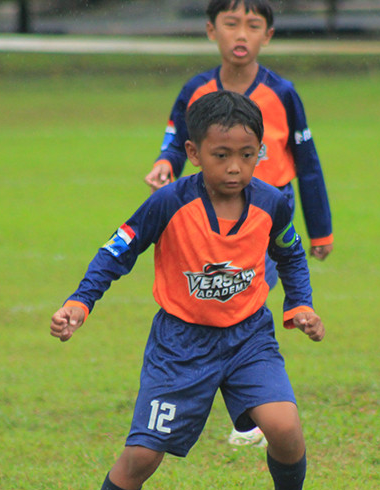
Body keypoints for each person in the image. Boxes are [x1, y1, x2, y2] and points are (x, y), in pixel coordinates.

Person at [52, 91, 325, 490]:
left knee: (284, 426)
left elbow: (290, 255)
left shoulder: (271, 203)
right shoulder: (170, 202)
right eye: (222, 156)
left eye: (248, 155)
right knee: (141, 457)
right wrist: (80, 301)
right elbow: (117, 251)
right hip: (181, 346)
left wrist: (299, 303)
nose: (236, 168)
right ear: (195, 153)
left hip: (248, 338)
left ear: (261, 152)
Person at [144, 0, 333, 448]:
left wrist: (320, 229)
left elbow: (307, 162)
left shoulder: (283, 94)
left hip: (267, 222)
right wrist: (163, 163)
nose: (241, 34)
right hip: (211, 221)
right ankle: (246, 397)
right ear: (212, 30)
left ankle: (249, 400)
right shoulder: (196, 89)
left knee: (246, 293)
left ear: (268, 35)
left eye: (252, 25)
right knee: (223, 297)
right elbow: (176, 139)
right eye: (231, 24)